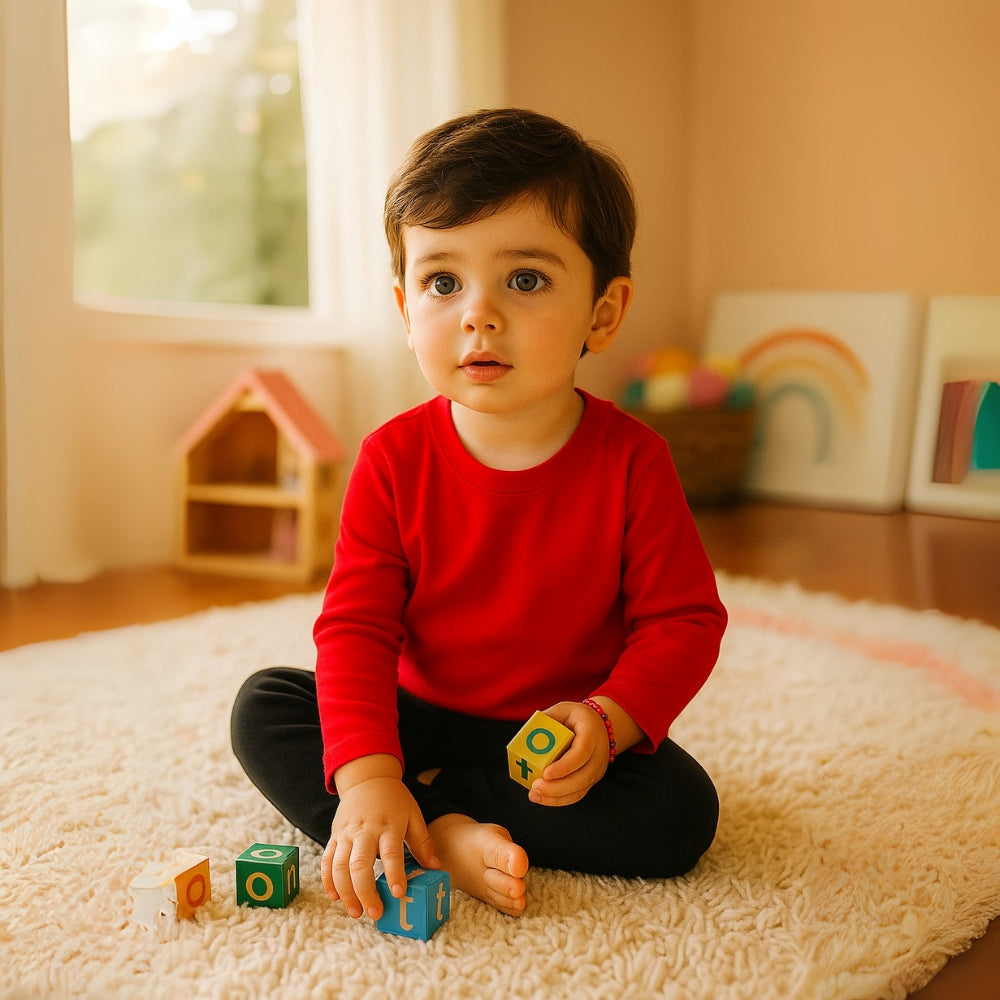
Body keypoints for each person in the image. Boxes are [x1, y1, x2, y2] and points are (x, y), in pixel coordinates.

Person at [231, 108, 727, 922]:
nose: (477, 313)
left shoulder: (634, 461)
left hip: (552, 736)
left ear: (604, 312)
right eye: (442, 282)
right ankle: (401, 825)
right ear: (404, 308)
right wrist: (368, 779)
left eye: (525, 280)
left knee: (679, 814)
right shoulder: (392, 458)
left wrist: (607, 724)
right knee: (267, 706)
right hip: (415, 715)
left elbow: (684, 620)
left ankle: (445, 818)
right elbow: (355, 628)